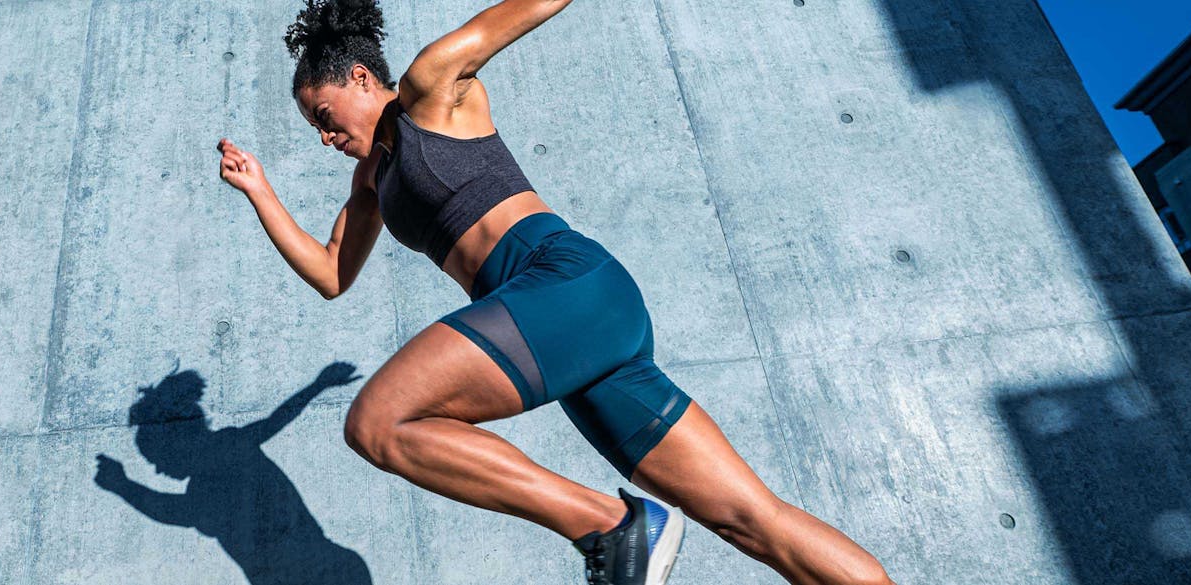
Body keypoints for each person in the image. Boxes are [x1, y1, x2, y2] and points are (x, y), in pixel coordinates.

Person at [214, 1, 896, 584]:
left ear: (361, 77)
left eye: (327, 116)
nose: (328, 136)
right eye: (317, 130)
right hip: (573, 329)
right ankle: (622, 530)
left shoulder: (432, 86)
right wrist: (260, 191)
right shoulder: (370, 184)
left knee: (378, 422)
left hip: (562, 282)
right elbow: (333, 273)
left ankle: (612, 525)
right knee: (752, 519)